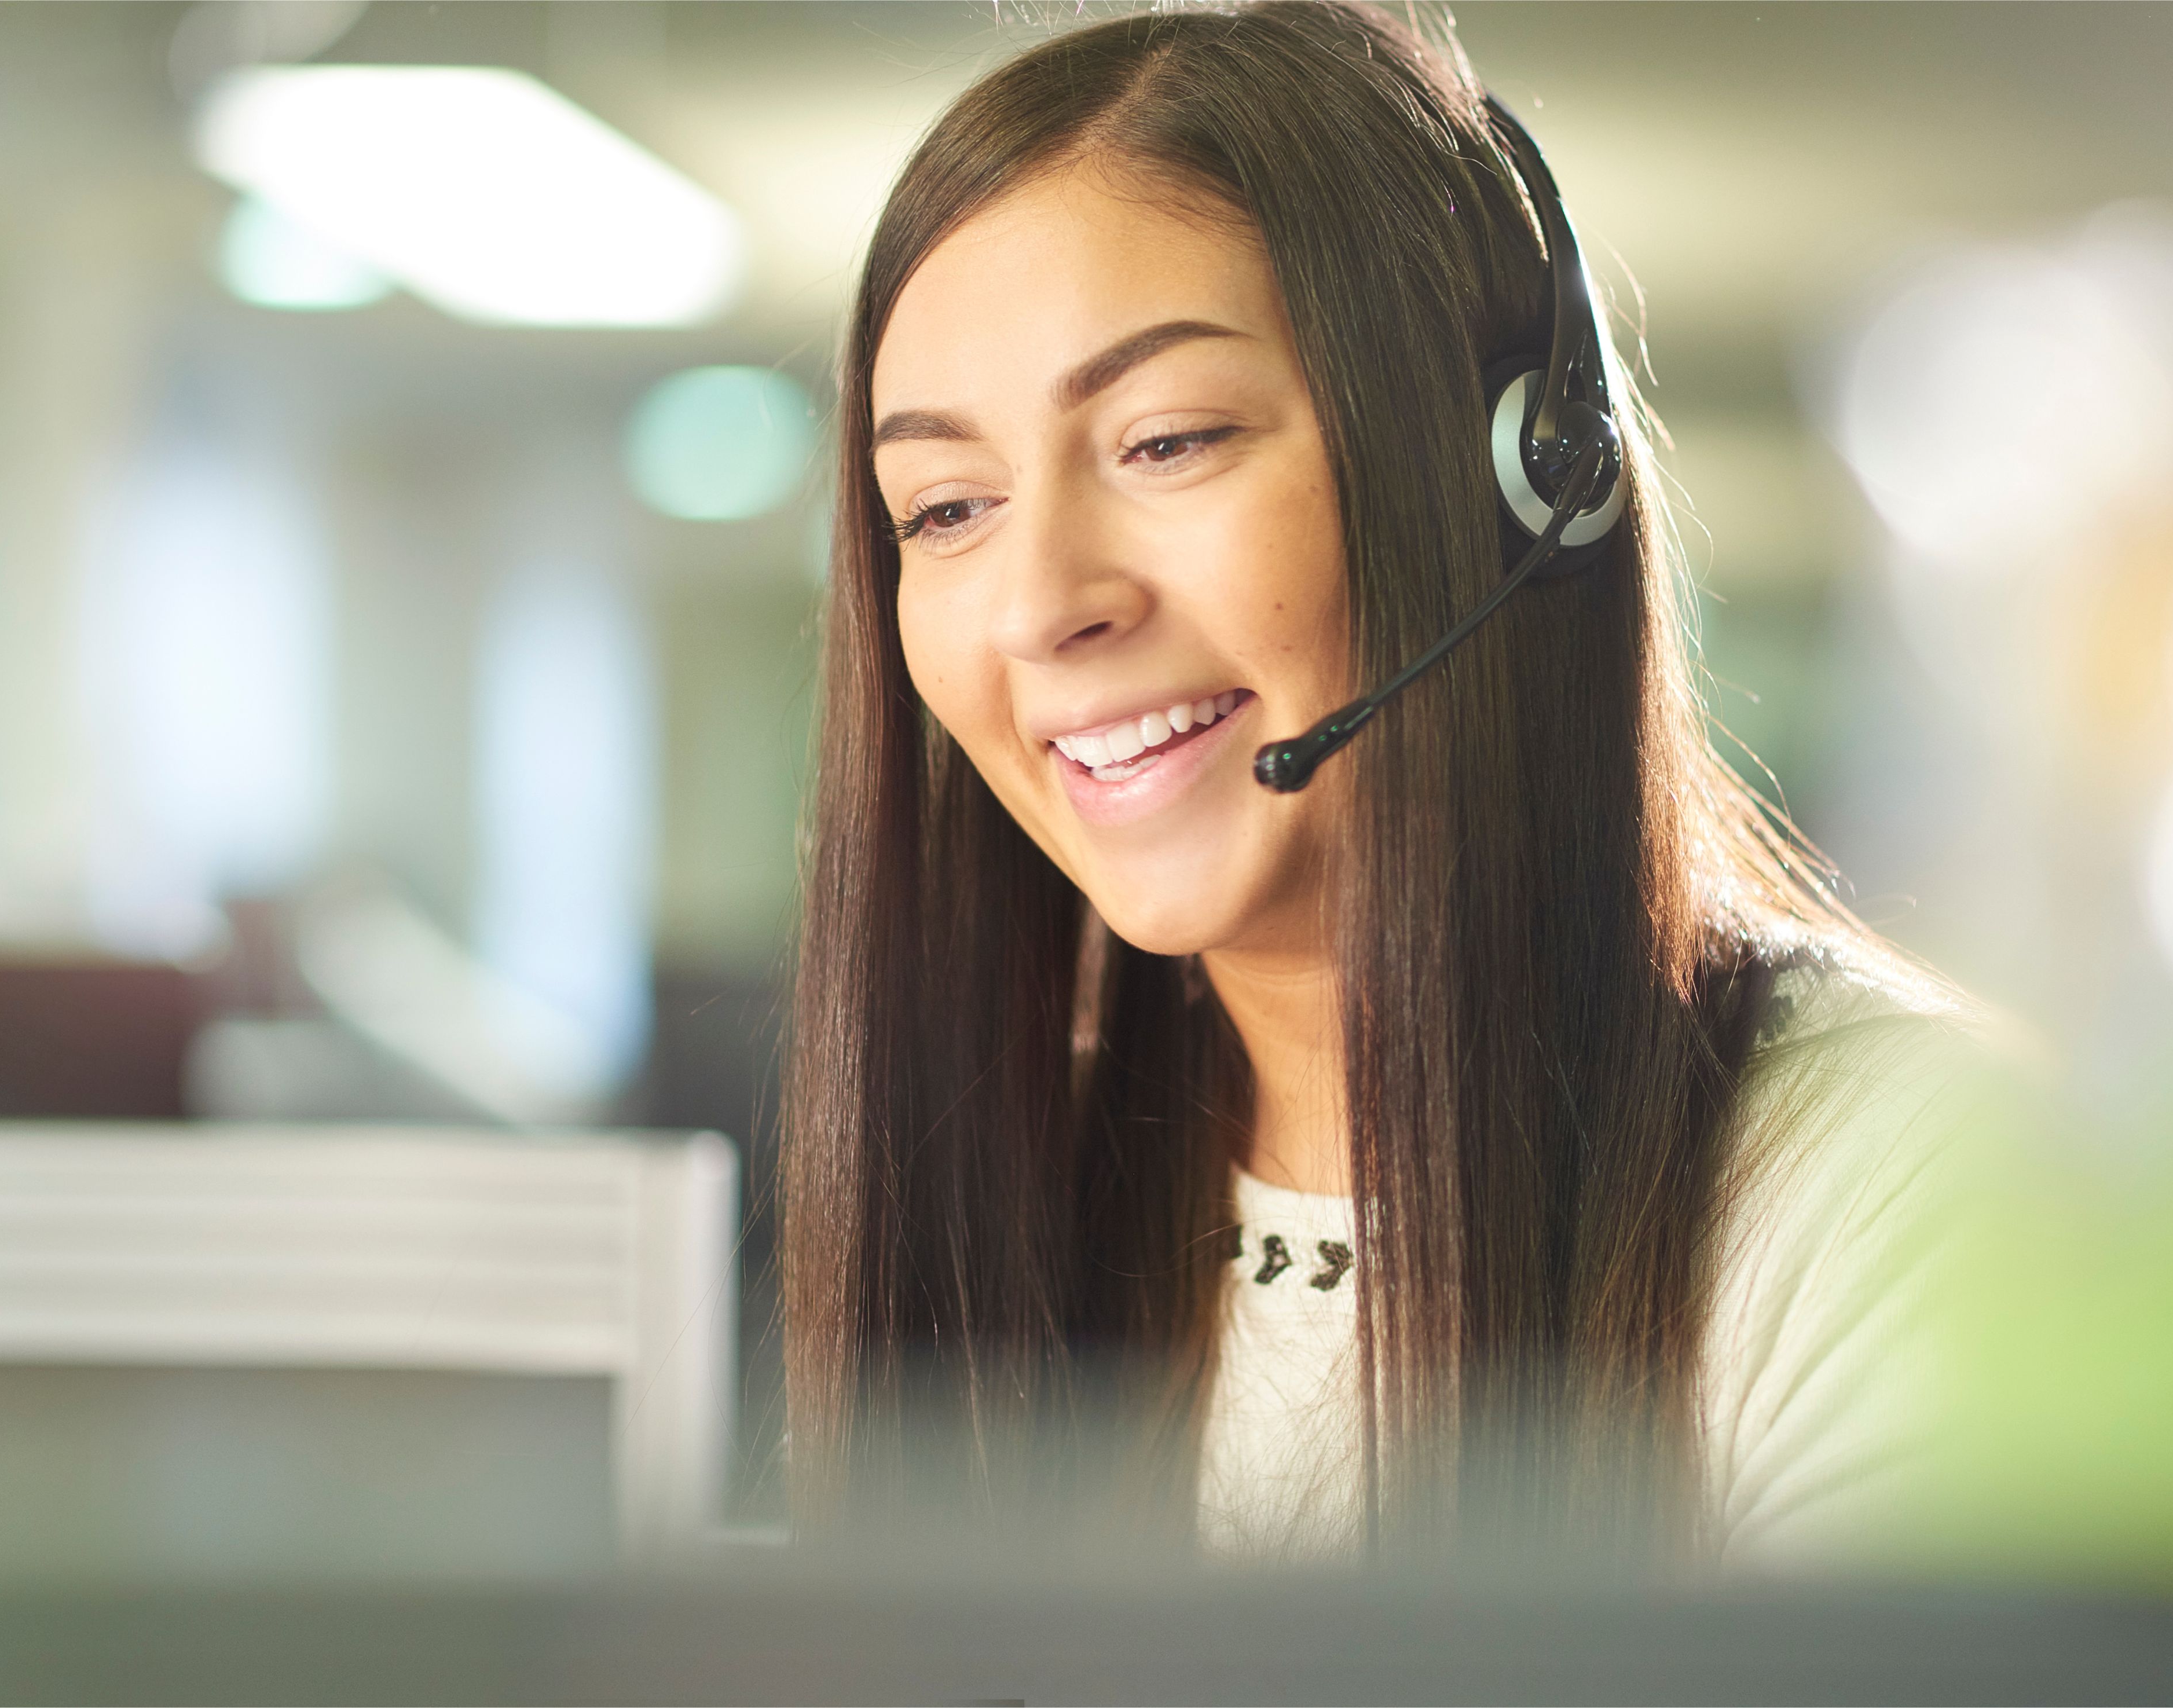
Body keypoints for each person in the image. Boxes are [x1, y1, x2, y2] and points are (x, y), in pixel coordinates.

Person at [783, 0, 1981, 1570]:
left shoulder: (1893, 1182)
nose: (1038, 603)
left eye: (1168, 440)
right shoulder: (1019, 1177)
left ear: (1519, 486)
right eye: (943, 508)